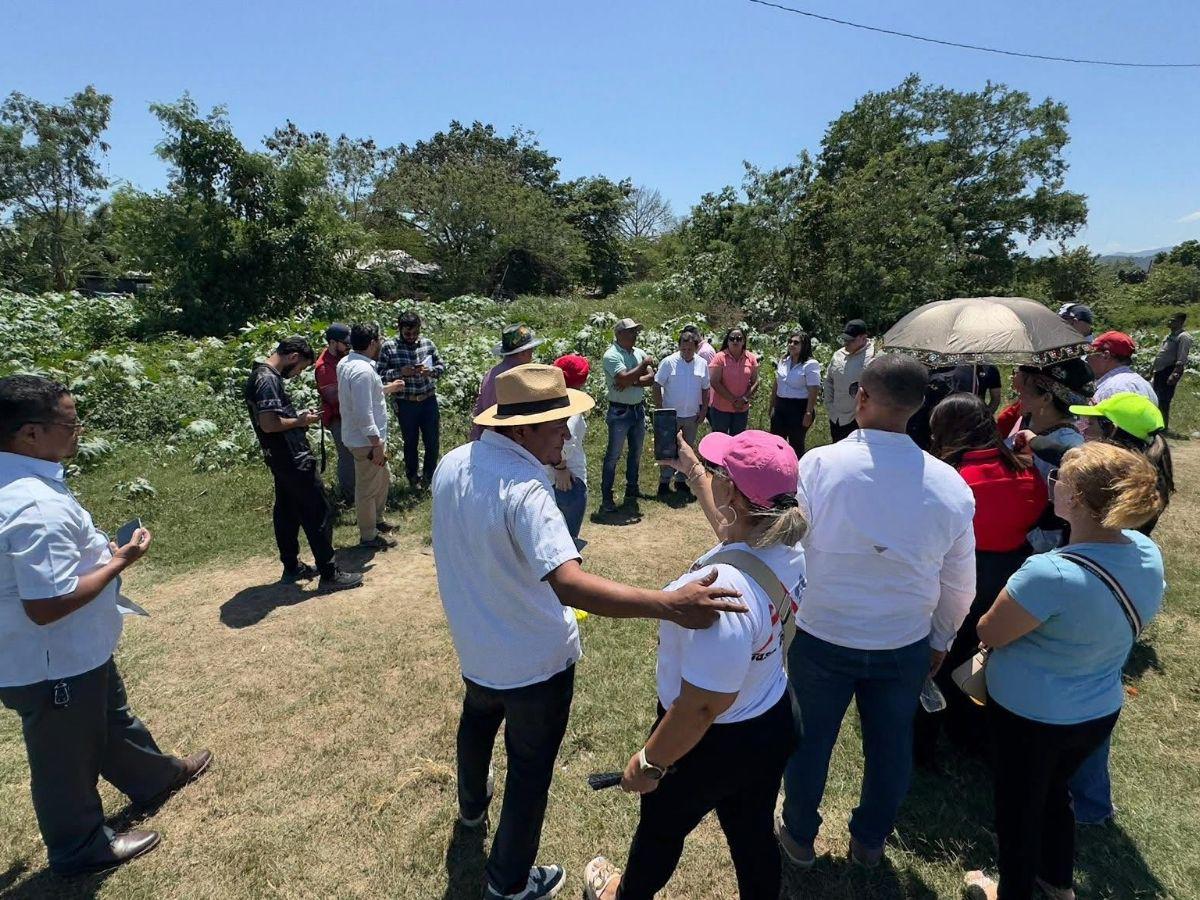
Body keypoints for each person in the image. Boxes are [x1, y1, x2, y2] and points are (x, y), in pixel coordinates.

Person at [432, 363, 748, 900]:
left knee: (478, 722)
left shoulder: (455, 462)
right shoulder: (527, 490)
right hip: (534, 662)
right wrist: (669, 604)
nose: (567, 432)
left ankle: (470, 809)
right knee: (529, 770)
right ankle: (508, 882)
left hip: (475, 643)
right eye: (558, 423)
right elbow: (570, 585)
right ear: (522, 430)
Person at [0, 375, 212, 876]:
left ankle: (154, 776)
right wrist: (121, 561)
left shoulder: (21, 480)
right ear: (30, 433)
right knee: (64, 757)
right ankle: (80, 848)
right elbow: (48, 604)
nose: (79, 431)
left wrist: (100, 556)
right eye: (70, 423)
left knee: (110, 718)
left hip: (74, 650)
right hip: (53, 660)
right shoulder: (33, 504)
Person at [583, 431, 805, 900]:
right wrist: (696, 473)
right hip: (771, 718)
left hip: (709, 743)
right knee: (753, 833)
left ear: (735, 495)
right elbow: (734, 536)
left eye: (721, 473)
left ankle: (627, 895)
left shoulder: (719, 594)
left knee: (661, 830)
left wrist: (650, 762)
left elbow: (702, 707)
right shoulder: (787, 548)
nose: (716, 477)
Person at [777, 354, 976, 869]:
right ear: (920, 405)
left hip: (822, 633)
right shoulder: (951, 484)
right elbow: (960, 584)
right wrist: (940, 639)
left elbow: (790, 548)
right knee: (891, 747)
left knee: (808, 741)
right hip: (904, 639)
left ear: (861, 397)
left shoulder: (818, 465)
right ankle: (869, 842)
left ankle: (798, 835)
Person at [964, 443, 1166, 900]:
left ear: (1075, 499)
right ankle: (1057, 883)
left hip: (1030, 715)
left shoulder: (1048, 573)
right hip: (1097, 709)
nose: (1050, 483)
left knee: (1018, 810)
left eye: (1058, 479)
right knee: (1057, 793)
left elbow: (990, 631)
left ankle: (1013, 891)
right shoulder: (1145, 551)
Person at [913, 394, 1047, 765]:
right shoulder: (1025, 471)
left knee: (937, 657)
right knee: (979, 655)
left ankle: (924, 740)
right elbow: (1035, 513)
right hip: (1006, 579)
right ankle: (969, 731)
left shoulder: (948, 480)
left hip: (954, 576)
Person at [1067, 393, 1174, 824]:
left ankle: (1079, 799)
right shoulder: (1140, 491)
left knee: (1078, 699)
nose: (1085, 428)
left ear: (1113, 433)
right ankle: (1092, 801)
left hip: (1089, 604)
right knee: (1095, 693)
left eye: (1095, 423)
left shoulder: (1107, 496)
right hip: (1112, 619)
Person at [244, 337, 363, 592]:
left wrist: (298, 420)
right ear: (293, 357)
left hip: (279, 457)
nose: (298, 374)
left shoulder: (259, 374)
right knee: (317, 510)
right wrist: (300, 421)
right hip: (292, 457)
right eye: (301, 368)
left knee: (287, 512)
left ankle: (291, 566)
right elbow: (269, 424)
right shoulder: (267, 380)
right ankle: (329, 573)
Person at [1009, 359, 1094, 552]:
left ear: (1046, 398)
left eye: (1026, 388)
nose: (1018, 392)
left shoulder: (1067, 444)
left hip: (1040, 542)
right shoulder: (1029, 422)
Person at [338, 323, 407, 551]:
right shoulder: (363, 372)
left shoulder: (347, 363)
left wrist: (388, 388)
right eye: (378, 340)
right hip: (367, 441)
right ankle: (368, 535)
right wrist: (376, 444)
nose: (380, 344)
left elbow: (363, 395)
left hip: (367, 439)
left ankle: (377, 520)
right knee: (367, 489)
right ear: (372, 343)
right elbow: (363, 412)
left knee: (382, 478)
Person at [1072, 392, 1173, 535]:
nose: (1084, 429)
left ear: (1111, 429)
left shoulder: (1109, 478)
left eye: (1090, 423)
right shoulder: (1149, 475)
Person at [377, 311, 446, 491]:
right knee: (410, 442)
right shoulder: (389, 347)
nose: (412, 336)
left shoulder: (427, 344)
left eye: (415, 332)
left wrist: (431, 372)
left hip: (428, 400)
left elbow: (441, 366)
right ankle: (412, 477)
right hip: (406, 403)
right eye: (408, 333)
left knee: (432, 441)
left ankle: (429, 477)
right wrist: (400, 372)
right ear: (400, 329)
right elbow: (379, 375)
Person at [600, 318, 656, 513]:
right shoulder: (611, 355)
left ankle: (632, 489)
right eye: (631, 331)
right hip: (619, 411)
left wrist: (630, 382)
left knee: (636, 452)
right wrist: (642, 367)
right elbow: (623, 377)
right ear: (619, 334)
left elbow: (651, 378)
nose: (635, 335)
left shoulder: (638, 352)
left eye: (635, 331)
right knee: (613, 456)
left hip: (637, 409)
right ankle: (607, 498)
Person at [653, 329, 710, 496]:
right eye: (683, 349)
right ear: (679, 347)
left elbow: (706, 388)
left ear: (696, 347)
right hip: (671, 415)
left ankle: (681, 481)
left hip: (692, 415)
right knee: (667, 449)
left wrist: (704, 410)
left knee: (687, 450)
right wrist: (660, 409)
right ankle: (664, 482)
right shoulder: (668, 362)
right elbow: (657, 385)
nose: (686, 352)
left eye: (690, 349)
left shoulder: (702, 363)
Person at [470, 323, 545, 442]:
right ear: (523, 352)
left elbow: (478, 410)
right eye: (531, 350)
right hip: (510, 441)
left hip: (487, 438)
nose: (532, 354)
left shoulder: (491, 373)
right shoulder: (520, 376)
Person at [313, 323, 356, 504]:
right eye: (345, 344)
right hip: (338, 418)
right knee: (347, 456)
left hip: (350, 414)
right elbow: (333, 397)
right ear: (332, 343)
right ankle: (349, 495)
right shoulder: (324, 367)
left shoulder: (342, 358)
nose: (348, 347)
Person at [550, 354, 591, 542]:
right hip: (569, 481)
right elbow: (565, 444)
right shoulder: (571, 408)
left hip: (550, 478)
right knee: (568, 543)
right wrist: (561, 467)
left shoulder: (550, 403)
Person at [768, 330, 821, 457]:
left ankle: (797, 468)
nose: (791, 345)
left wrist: (808, 413)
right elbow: (777, 383)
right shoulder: (784, 360)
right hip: (781, 406)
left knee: (796, 444)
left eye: (796, 343)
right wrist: (772, 405)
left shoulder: (810, 364)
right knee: (776, 442)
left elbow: (813, 390)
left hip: (799, 408)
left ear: (804, 346)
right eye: (790, 342)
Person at [823, 318, 875, 442]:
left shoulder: (873, 358)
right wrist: (830, 406)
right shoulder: (838, 355)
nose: (846, 343)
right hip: (836, 417)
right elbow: (828, 380)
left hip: (858, 420)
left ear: (863, 338)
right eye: (845, 339)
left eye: (851, 340)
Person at [707, 327, 759, 436]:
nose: (735, 341)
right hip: (721, 409)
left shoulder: (751, 358)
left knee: (738, 440)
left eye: (739, 339)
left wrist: (744, 399)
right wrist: (734, 400)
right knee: (720, 439)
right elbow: (715, 382)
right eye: (732, 338)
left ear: (743, 341)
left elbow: (755, 382)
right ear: (728, 341)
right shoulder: (720, 357)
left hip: (741, 409)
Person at [1086, 332, 1157, 405]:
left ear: (1106, 356)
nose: (1087, 359)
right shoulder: (1144, 383)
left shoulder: (1112, 389)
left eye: (1090, 354)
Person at [1151, 312, 1192, 429]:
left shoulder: (1183, 337)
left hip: (1169, 370)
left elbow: (1182, 357)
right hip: (1160, 370)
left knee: (1164, 399)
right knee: (1156, 397)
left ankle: (1163, 427)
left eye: (1173, 320)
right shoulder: (1170, 336)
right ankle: (1156, 424)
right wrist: (1151, 370)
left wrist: (1175, 373)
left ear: (1180, 322)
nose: (1170, 322)